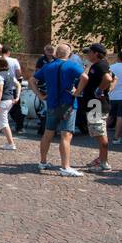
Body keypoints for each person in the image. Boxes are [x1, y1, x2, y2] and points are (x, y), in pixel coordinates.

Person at [34, 44, 84, 175]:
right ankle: (65, 167)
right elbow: (85, 77)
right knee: (66, 135)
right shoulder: (72, 65)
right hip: (67, 104)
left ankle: (43, 161)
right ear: (69, 53)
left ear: (56, 53)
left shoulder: (48, 66)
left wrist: (40, 95)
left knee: (48, 133)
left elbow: (32, 80)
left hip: (52, 103)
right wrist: (77, 92)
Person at [74, 43, 115, 171]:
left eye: (89, 52)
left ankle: (104, 162)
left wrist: (100, 91)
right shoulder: (98, 65)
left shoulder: (100, 65)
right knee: (96, 132)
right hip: (94, 104)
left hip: (97, 105)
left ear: (96, 53)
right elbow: (115, 78)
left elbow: (109, 78)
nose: (87, 55)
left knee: (100, 133)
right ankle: (101, 158)